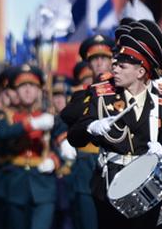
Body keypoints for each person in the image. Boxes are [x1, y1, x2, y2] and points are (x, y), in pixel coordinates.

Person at [68, 19, 162, 228]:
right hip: (109, 189)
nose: (114, 69)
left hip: (151, 189)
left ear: (140, 71)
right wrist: (91, 127)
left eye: (122, 66)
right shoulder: (101, 96)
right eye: (115, 64)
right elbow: (75, 135)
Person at [58, 33, 116, 229]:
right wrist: (93, 92)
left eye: (104, 58)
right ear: (88, 64)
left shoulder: (119, 91)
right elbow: (68, 114)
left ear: (112, 60)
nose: (99, 63)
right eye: (94, 59)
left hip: (113, 164)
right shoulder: (82, 93)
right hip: (86, 168)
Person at [0, 65, 58, 229]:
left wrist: (54, 160)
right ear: (15, 90)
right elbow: (1, 133)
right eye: (23, 86)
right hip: (15, 183)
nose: (28, 90)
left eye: (33, 86)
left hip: (43, 184)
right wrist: (30, 124)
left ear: (39, 90)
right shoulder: (7, 115)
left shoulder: (50, 115)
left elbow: (62, 145)